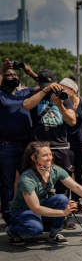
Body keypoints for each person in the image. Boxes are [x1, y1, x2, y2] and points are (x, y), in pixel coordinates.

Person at [6, 141, 82, 245]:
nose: (50, 158)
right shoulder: (27, 179)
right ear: (34, 158)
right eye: (45, 155)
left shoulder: (55, 170)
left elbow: (75, 186)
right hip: (23, 210)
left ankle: (55, 234)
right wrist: (63, 213)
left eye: (50, 154)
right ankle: (12, 230)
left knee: (62, 199)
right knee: (34, 229)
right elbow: (36, 208)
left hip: (40, 205)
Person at [23, 70, 77, 194]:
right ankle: (41, 211)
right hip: (40, 147)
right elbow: (26, 105)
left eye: (51, 86)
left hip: (60, 147)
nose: (49, 88)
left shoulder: (62, 96)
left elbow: (72, 121)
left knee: (62, 185)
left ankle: (62, 211)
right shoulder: (35, 94)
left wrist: (60, 106)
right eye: (45, 86)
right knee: (38, 185)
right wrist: (44, 91)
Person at [0, 61, 35, 225]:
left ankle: (28, 212)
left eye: (14, 74)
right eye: (8, 75)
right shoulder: (1, 94)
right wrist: (2, 70)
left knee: (28, 181)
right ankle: (8, 216)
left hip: (26, 145)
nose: (12, 76)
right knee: (7, 183)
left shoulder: (26, 93)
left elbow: (45, 87)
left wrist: (30, 72)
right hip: (6, 146)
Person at [61, 78, 82, 193]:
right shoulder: (62, 103)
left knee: (80, 174)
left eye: (64, 88)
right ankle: (68, 201)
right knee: (67, 173)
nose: (61, 90)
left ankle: (79, 201)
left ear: (72, 90)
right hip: (68, 144)